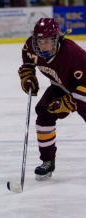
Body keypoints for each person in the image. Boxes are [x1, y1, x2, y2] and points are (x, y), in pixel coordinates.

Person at [18, 18, 86, 180]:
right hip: (60, 87)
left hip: (82, 90)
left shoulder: (73, 54)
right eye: (39, 41)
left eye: (47, 41)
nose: (43, 46)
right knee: (44, 117)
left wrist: (69, 103)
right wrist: (28, 75)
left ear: (56, 39)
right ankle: (48, 161)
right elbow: (28, 59)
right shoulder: (31, 46)